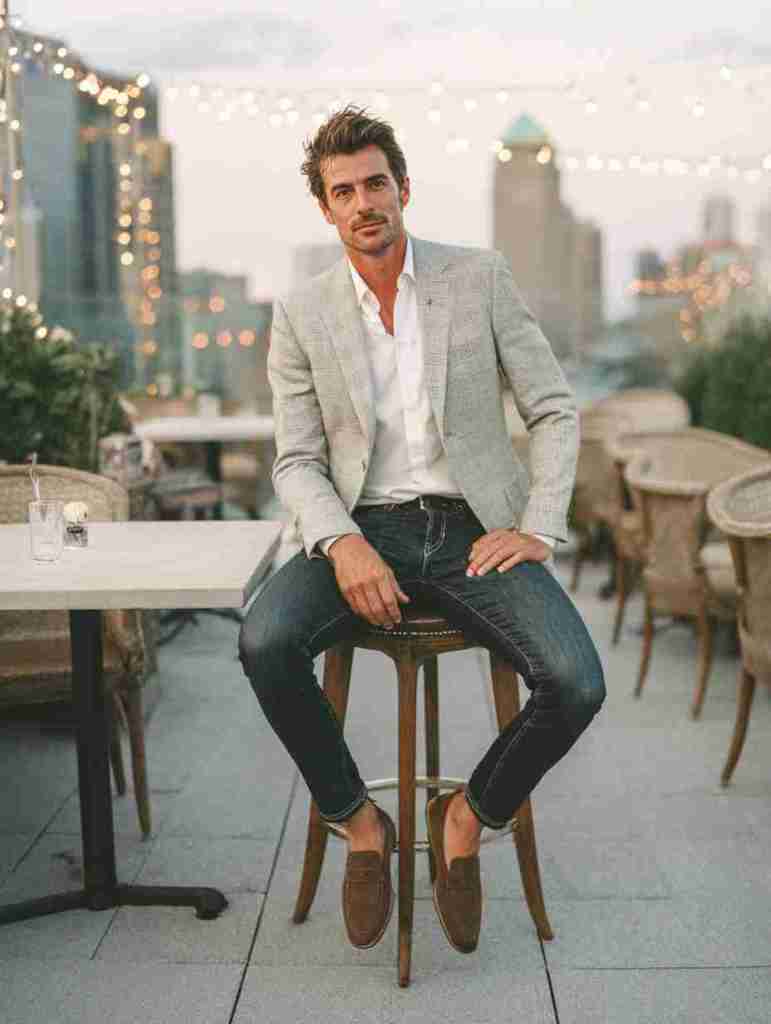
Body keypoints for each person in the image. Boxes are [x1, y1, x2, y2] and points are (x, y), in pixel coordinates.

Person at [238, 106, 605, 954]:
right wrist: (341, 541)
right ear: (325, 210)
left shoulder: (477, 278)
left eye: (375, 183)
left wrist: (538, 524)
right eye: (343, 191)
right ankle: (359, 825)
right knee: (263, 642)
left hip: (477, 531)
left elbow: (552, 408)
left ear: (403, 189)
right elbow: (295, 460)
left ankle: (465, 819)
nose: (363, 201)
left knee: (577, 682)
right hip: (363, 527)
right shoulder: (300, 313)